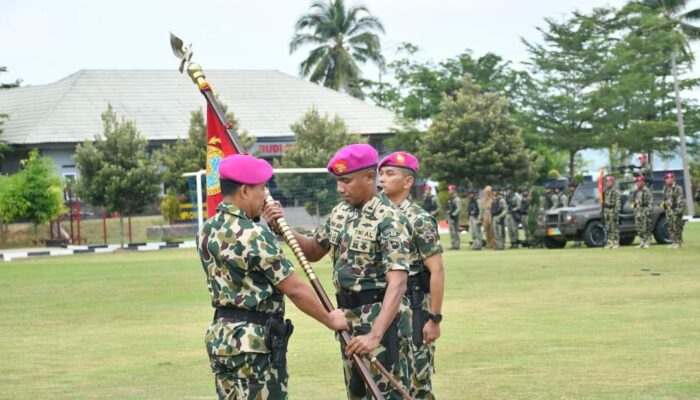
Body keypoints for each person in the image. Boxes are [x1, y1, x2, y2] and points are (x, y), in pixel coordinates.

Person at [263, 144, 414, 400]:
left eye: (346, 180)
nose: (340, 188)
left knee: (387, 395)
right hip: (347, 319)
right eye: (337, 181)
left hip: (383, 322)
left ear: (369, 177)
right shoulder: (340, 212)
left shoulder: (390, 218)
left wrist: (375, 334)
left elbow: (398, 283)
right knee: (357, 394)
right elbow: (313, 250)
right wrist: (281, 228)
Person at [198, 154, 348, 400]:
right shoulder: (254, 235)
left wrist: (262, 220)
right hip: (253, 343)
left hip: (221, 337)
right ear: (245, 191)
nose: (265, 194)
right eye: (262, 188)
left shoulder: (207, 230)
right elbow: (295, 288)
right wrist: (329, 318)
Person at [378, 151, 445, 400]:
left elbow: (436, 270)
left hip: (415, 306)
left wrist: (434, 319)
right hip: (384, 305)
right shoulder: (375, 216)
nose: (382, 179)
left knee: (417, 381)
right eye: (381, 174)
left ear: (407, 182)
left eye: (390, 174)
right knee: (389, 379)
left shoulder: (419, 220)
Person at [662, 172, 685, 249]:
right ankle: (673, 242)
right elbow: (665, 199)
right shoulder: (666, 188)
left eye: (669, 178)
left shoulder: (678, 188)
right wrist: (665, 208)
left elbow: (680, 200)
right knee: (670, 227)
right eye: (666, 179)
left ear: (673, 179)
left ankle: (678, 242)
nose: (667, 180)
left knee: (677, 226)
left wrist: (678, 211)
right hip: (668, 211)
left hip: (676, 210)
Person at [631, 175, 653, 249]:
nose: (639, 183)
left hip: (645, 209)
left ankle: (647, 242)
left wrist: (649, 211)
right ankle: (642, 241)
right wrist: (634, 208)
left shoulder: (647, 190)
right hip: (638, 210)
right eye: (637, 181)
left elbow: (650, 201)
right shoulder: (635, 191)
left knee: (646, 226)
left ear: (643, 182)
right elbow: (632, 200)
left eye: (640, 181)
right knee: (639, 227)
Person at [602, 175, 621, 249]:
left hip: (613, 210)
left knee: (614, 227)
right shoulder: (606, 191)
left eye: (609, 181)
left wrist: (616, 212)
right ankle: (610, 242)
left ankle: (616, 242)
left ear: (612, 182)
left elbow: (618, 202)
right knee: (609, 227)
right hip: (607, 210)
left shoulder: (615, 191)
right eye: (606, 182)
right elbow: (604, 201)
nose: (607, 183)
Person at [504, 184, 522, 249]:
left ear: (512, 190)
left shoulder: (516, 196)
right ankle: (512, 243)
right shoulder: (506, 197)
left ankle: (516, 243)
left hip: (514, 214)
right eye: (507, 190)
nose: (508, 191)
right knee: (509, 230)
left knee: (514, 229)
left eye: (509, 189)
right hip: (508, 214)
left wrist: (513, 209)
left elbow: (519, 206)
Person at [491, 186, 508, 250]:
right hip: (494, 217)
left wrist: (500, 216)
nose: (494, 192)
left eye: (495, 191)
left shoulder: (501, 199)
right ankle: (497, 244)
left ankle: (501, 245)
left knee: (500, 232)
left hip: (499, 217)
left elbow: (505, 209)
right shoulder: (493, 200)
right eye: (493, 191)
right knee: (495, 232)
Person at [447, 184, 461, 250]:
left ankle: (457, 245)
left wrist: (454, 214)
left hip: (455, 218)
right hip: (450, 217)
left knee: (455, 231)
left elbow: (458, 208)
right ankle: (453, 244)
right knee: (451, 232)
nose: (449, 191)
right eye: (449, 190)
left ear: (454, 190)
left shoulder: (456, 199)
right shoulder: (450, 199)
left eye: (451, 189)